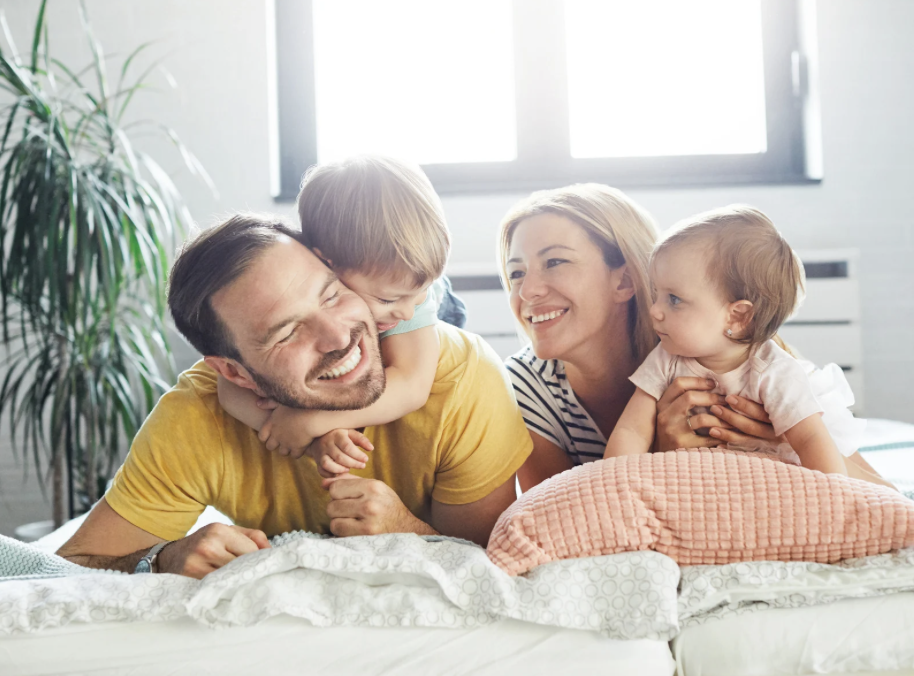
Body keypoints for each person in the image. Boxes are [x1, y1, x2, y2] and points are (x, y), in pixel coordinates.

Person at [56, 213, 531, 578]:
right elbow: (72, 565)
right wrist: (162, 558)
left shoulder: (458, 379)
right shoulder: (198, 417)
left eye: (331, 295)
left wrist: (406, 532)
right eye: (287, 333)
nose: (337, 337)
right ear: (233, 373)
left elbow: (493, 567)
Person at [499, 184, 890, 491]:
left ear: (624, 280)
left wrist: (782, 445)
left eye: (555, 262)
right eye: (516, 273)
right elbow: (556, 516)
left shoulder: (715, 342)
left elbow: (876, 492)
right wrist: (662, 455)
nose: (527, 290)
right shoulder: (524, 387)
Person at [218, 156, 465, 478]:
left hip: (446, 311)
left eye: (421, 290)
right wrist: (305, 438)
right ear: (327, 266)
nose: (406, 311)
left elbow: (412, 386)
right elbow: (230, 388)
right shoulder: (295, 273)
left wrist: (314, 421)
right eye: (388, 298)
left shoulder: (409, 298)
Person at [603, 205, 865, 476]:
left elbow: (812, 441)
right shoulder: (665, 358)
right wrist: (614, 483)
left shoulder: (775, 372)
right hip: (693, 484)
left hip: (762, 483)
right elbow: (631, 430)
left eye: (674, 299)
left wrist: (832, 494)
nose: (654, 310)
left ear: (738, 317)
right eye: (657, 293)